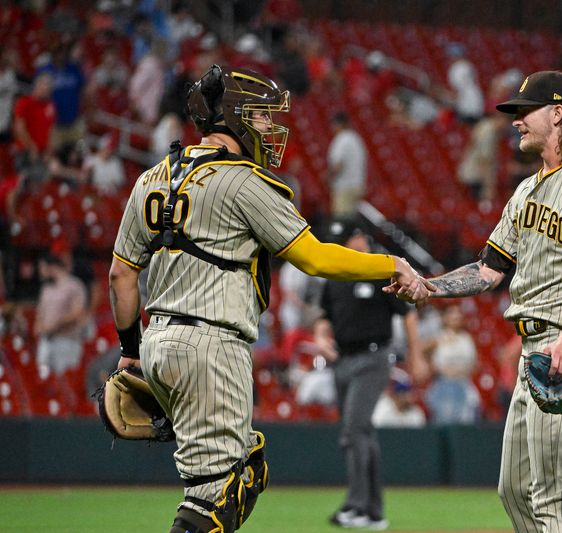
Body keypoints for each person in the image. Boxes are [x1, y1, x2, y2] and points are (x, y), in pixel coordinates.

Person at [108, 65, 432, 533]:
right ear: (235, 118)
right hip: (212, 345)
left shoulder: (150, 179)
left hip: (158, 339)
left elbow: (121, 275)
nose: (269, 126)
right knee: (216, 498)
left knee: (238, 475)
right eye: (260, 117)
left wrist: (129, 351)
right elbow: (316, 259)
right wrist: (392, 264)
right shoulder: (245, 182)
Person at [389, 70, 562, 533]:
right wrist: (429, 286)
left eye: (525, 112)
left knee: (556, 496)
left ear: (558, 113)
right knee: (515, 490)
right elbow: (489, 270)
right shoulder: (525, 189)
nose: (515, 121)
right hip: (533, 352)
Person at [313, 218, 428, 530]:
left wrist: (415, 356)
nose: (342, 247)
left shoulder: (379, 272)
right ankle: (373, 511)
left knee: (355, 428)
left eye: (346, 240)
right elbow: (324, 318)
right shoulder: (333, 278)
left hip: (374, 358)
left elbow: (407, 315)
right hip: (343, 360)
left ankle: (357, 505)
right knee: (360, 433)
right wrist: (322, 337)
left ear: (360, 240)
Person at [423, 303, 481, 425]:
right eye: (452, 313)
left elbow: (475, 363)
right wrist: (433, 367)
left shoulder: (467, 338)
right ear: (444, 317)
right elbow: (420, 353)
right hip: (444, 388)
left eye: (458, 312)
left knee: (466, 426)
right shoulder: (438, 337)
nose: (456, 316)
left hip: (464, 386)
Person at [34, 253, 89, 375]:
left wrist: (55, 325)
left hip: (66, 341)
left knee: (64, 380)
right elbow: (40, 312)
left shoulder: (74, 285)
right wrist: (39, 325)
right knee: (42, 379)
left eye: (42, 267)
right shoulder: (46, 288)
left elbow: (77, 313)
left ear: (52, 267)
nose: (40, 272)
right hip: (46, 340)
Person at [325, 112, 367, 218]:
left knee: (341, 220)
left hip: (344, 187)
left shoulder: (341, 140)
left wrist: (328, 178)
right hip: (357, 184)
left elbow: (338, 165)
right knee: (352, 219)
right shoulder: (356, 138)